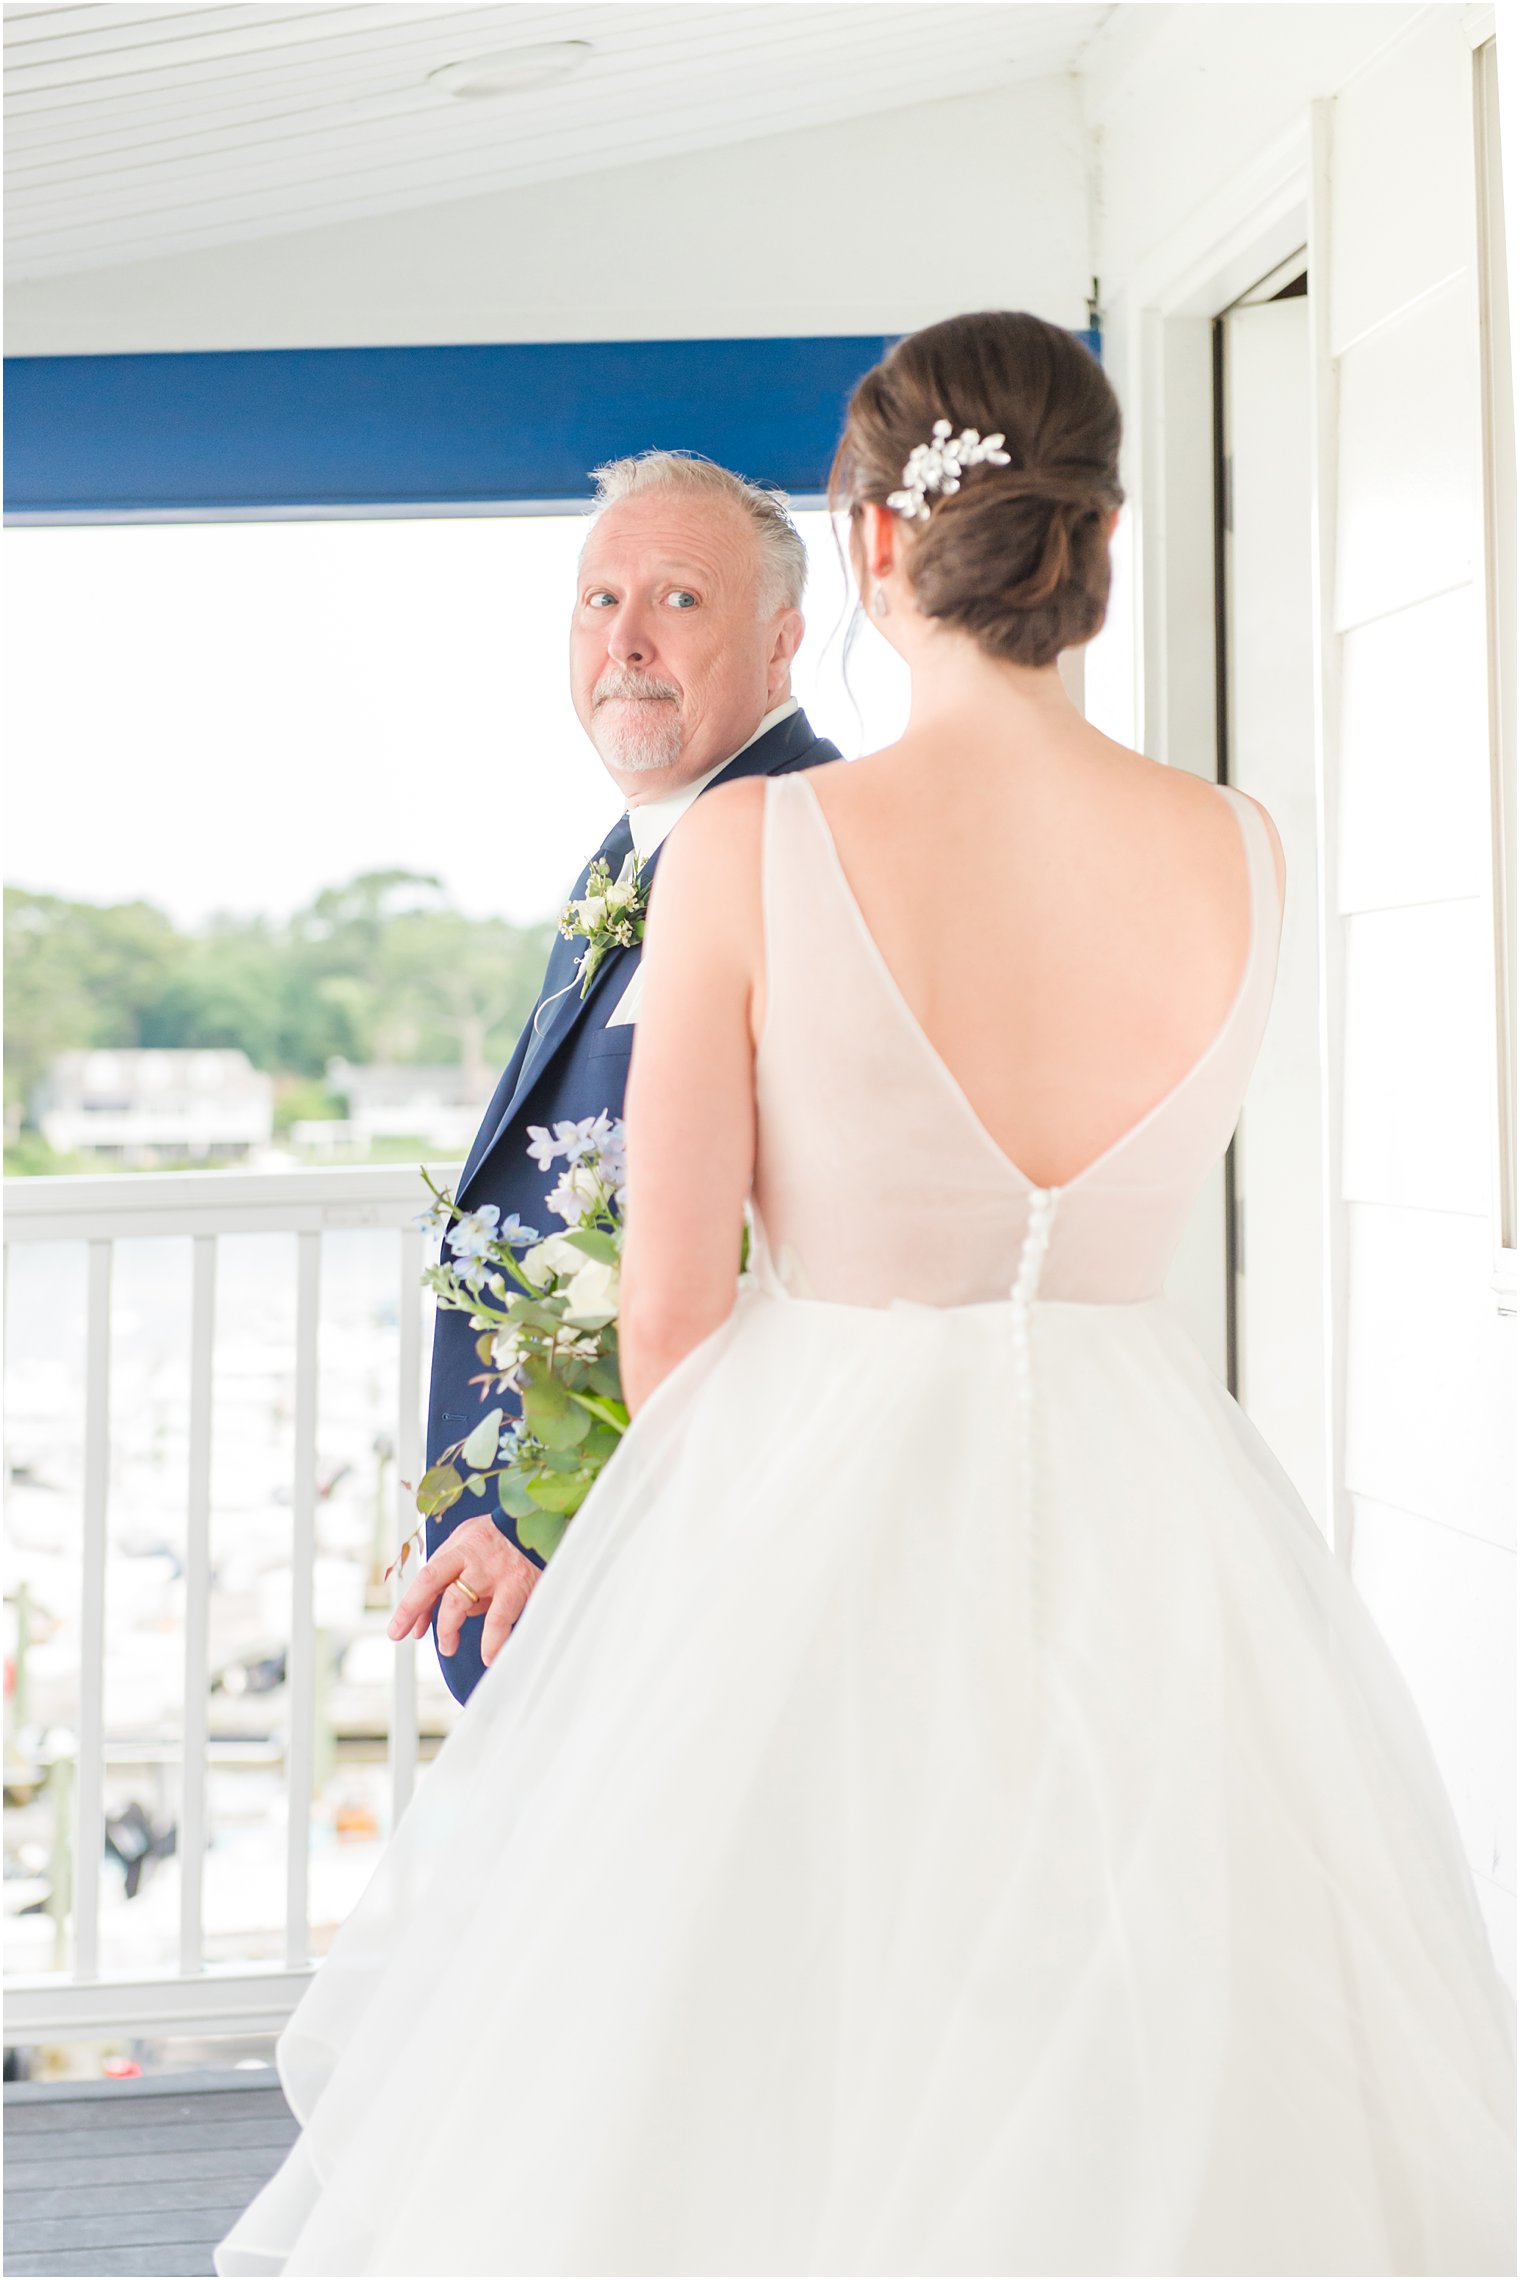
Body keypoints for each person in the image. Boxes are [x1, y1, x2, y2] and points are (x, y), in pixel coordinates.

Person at [219, 312, 1515, 2277]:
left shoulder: (755, 840)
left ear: (872, 545)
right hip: (1159, 1537)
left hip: (810, 1520)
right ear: (1088, 536)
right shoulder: (1244, 850)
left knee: (757, 2089)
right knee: (1152, 2061)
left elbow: (667, 1311)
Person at [422, 454, 840, 1702]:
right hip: (545, 1568)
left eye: (679, 600)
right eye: (600, 600)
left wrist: (562, 1523)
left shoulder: (801, 846)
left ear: (780, 646)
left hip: (663, 1570)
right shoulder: (638, 847)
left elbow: (783, 1247)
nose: (628, 640)